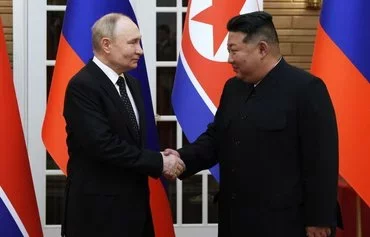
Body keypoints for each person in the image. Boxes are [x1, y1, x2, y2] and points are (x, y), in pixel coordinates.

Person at [165, 11, 341, 237]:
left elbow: (321, 161)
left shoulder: (306, 89)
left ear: (262, 49)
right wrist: (180, 158)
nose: (229, 59)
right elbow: (216, 138)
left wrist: (319, 219)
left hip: (283, 223)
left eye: (233, 50)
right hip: (235, 219)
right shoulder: (233, 88)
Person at [62, 13, 184, 237]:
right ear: (106, 44)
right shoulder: (83, 86)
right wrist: (159, 161)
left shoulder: (132, 84)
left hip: (135, 212)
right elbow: (103, 145)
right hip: (98, 215)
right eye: (133, 42)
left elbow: (129, 142)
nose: (140, 50)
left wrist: (161, 157)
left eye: (140, 42)